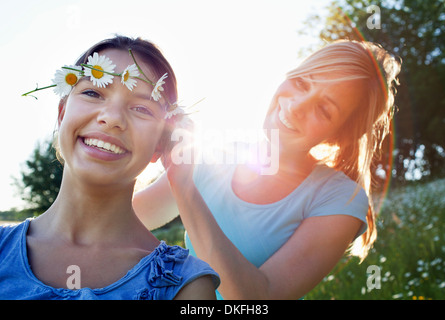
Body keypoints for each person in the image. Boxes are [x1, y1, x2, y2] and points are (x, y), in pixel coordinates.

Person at [133, 40, 401, 299]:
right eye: (301, 83)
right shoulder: (214, 157)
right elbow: (128, 215)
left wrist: (184, 189)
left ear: (338, 135)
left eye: (323, 110)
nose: (296, 106)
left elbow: (258, 297)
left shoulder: (339, 197)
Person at [0, 35, 219, 300]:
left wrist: (183, 182)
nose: (112, 118)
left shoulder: (184, 285)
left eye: (141, 108)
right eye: (93, 92)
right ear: (61, 113)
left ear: (161, 144)